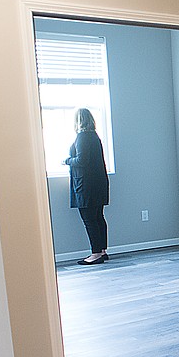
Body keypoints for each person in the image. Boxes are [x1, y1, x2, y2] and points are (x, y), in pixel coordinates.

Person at [63, 108, 110, 266]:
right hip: (98, 184)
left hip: (87, 186)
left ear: (78, 121)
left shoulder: (82, 137)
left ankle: (95, 253)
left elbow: (82, 161)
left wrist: (67, 160)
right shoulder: (94, 137)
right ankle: (102, 250)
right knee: (98, 218)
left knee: (90, 220)